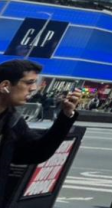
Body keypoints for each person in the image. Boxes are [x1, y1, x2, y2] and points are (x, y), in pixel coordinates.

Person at [0, 60, 80, 204]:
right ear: (5, 86)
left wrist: (66, 116)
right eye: (29, 82)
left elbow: (37, 151)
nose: (33, 88)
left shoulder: (12, 120)